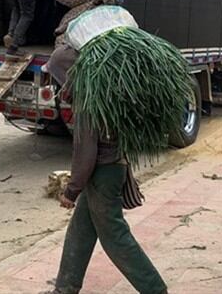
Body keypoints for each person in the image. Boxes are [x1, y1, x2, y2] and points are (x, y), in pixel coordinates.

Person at [44, 45, 167, 294]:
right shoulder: (103, 87)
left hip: (103, 173)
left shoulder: (89, 99)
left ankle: (155, 289)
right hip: (107, 170)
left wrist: (72, 190)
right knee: (81, 230)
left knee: (115, 237)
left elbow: (86, 152)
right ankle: (65, 288)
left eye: (60, 77)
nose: (59, 83)